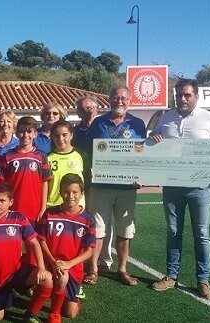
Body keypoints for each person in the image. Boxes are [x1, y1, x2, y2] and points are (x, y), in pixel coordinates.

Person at [149, 79, 210, 300]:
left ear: (196, 96)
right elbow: (152, 141)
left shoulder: (209, 118)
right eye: (178, 95)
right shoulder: (166, 117)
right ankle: (171, 276)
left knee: (201, 233)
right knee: (173, 231)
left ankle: (203, 280)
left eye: (187, 95)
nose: (182, 99)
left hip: (200, 186)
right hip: (172, 185)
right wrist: (154, 138)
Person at [85, 86, 146, 286]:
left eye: (123, 98)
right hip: (101, 185)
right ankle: (93, 269)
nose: (119, 101)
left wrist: (143, 174)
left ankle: (122, 269)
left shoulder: (138, 123)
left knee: (124, 230)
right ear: (109, 100)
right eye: (115, 97)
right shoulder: (98, 123)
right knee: (98, 229)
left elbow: (143, 152)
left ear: (130, 101)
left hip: (128, 187)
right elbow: (89, 152)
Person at [0, 181, 51, 321]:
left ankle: (30, 314)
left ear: (11, 201)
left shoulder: (18, 218)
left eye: (2, 200)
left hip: (16, 270)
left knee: (47, 279)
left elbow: (34, 243)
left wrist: (41, 268)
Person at [32, 174, 96, 323]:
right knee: (59, 276)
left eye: (75, 192)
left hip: (72, 267)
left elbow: (89, 251)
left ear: (82, 194)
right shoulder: (50, 213)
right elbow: (41, 241)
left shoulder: (88, 219)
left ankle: (68, 296)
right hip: (50, 262)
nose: (70, 196)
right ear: (60, 193)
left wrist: (68, 264)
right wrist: (53, 261)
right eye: (66, 192)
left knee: (71, 313)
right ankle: (54, 313)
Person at [1, 116, 51, 223]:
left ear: (35, 134)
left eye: (29, 132)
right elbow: (3, 184)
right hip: (13, 209)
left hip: (35, 209)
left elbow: (44, 183)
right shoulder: (7, 156)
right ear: (16, 133)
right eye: (22, 132)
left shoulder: (41, 156)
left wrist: (43, 207)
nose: (25, 135)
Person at [47, 120, 87, 208]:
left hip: (77, 207)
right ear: (52, 137)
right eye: (56, 136)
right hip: (53, 206)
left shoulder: (81, 155)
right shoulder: (47, 158)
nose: (61, 139)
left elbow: (87, 182)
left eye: (64, 135)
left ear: (71, 135)